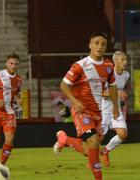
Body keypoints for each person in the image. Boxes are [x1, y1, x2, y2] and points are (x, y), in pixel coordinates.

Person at [57, 32, 119, 180]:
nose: (100, 46)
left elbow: (112, 87)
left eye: (103, 44)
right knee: (94, 141)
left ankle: (64, 140)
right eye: (96, 43)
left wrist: (115, 108)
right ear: (89, 45)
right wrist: (75, 101)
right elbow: (64, 85)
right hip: (82, 110)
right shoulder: (80, 65)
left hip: (98, 111)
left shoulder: (109, 65)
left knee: (89, 149)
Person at [100, 51, 130, 166]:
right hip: (104, 109)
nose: (125, 62)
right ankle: (93, 161)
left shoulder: (126, 75)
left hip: (116, 109)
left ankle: (105, 151)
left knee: (123, 134)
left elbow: (124, 89)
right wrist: (118, 93)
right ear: (115, 61)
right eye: (122, 60)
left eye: (126, 60)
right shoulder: (108, 74)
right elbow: (101, 92)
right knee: (99, 138)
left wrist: (124, 94)